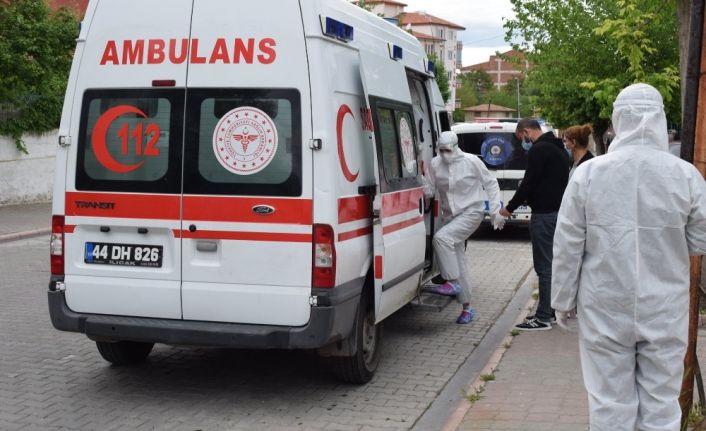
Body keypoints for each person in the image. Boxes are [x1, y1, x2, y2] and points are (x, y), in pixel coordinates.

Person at [551, 83, 706, 431]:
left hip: (604, 302)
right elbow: (699, 241)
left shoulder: (590, 174)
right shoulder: (685, 175)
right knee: (661, 404)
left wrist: (562, 299)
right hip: (664, 304)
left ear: (617, 120)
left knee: (609, 403)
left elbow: (568, 243)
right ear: (660, 121)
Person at [422, 131, 505, 324]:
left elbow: (491, 184)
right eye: (441, 150)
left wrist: (495, 211)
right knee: (459, 261)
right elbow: (430, 189)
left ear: (456, 146)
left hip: (471, 212)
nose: (444, 154)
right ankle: (467, 307)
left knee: (441, 239)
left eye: (448, 150)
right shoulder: (435, 164)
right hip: (450, 216)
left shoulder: (471, 161)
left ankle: (451, 282)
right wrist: (416, 178)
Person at [499, 118, 570, 331]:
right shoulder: (560, 150)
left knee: (544, 267)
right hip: (557, 212)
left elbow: (528, 183)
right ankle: (551, 310)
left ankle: (542, 317)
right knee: (553, 265)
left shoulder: (539, 151)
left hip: (544, 214)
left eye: (522, 137)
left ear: (527, 131)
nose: (523, 142)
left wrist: (509, 208)